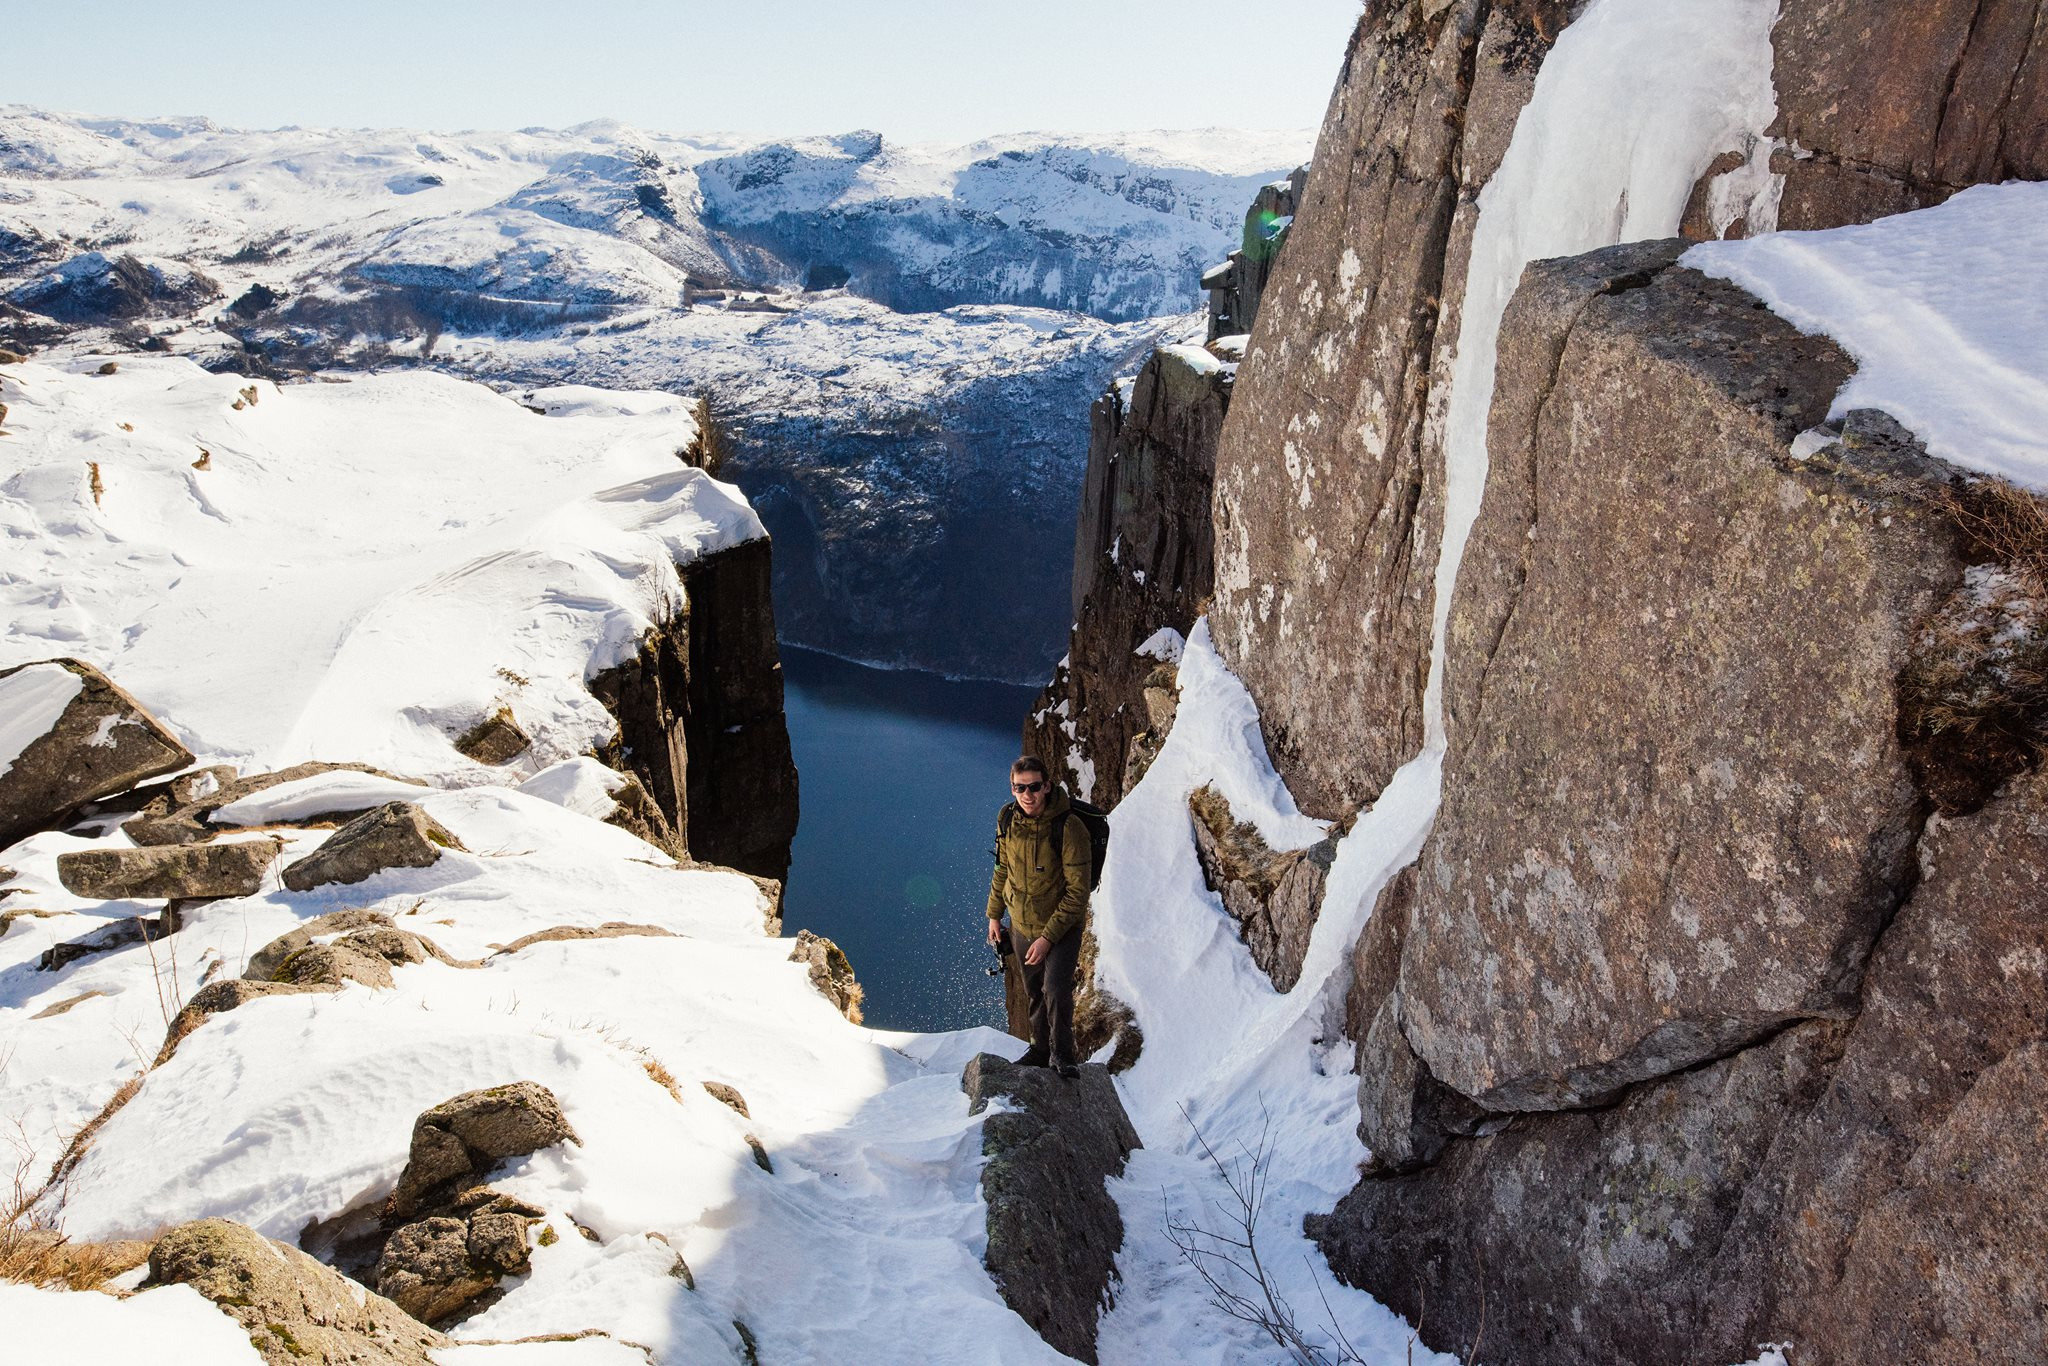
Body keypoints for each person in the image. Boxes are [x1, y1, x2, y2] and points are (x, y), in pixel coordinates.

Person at [986, 755, 1090, 1078]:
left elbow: (1078, 894)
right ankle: (1040, 1049)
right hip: (1021, 924)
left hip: (1060, 927)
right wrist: (994, 915)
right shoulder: (1007, 819)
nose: (1027, 795)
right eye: (1020, 788)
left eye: (1033, 787)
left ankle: (1063, 1056)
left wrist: (1047, 938)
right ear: (1012, 788)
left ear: (1046, 786)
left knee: (1055, 990)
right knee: (1034, 991)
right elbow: (1002, 869)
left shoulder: (1068, 828)